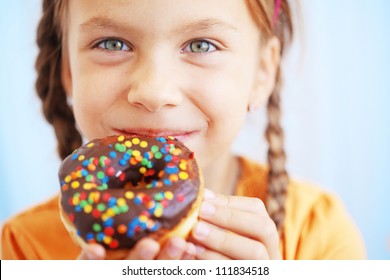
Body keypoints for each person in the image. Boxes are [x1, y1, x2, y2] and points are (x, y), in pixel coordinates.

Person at [1, 0, 366, 260]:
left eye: (200, 45)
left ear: (262, 72)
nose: (154, 92)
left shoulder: (317, 237)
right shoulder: (21, 249)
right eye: (112, 43)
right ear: (68, 71)